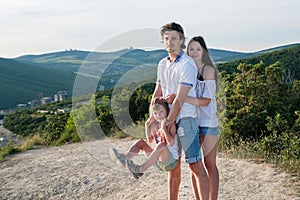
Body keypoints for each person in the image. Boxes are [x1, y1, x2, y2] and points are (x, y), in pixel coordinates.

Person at [151, 22, 209, 200]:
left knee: (195, 165)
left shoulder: (187, 64)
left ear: (182, 40)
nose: (170, 42)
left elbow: (180, 99)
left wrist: (166, 123)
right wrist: (153, 119)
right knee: (173, 168)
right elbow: (157, 94)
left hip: (186, 119)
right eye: (166, 38)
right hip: (168, 120)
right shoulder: (162, 64)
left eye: (174, 38)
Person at [110, 97, 179, 179]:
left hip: (170, 161)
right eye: (155, 113)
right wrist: (147, 125)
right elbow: (150, 140)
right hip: (157, 161)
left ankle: (140, 169)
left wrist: (164, 129)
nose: (158, 115)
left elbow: (171, 143)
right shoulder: (155, 125)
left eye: (161, 112)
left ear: (167, 111)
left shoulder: (170, 124)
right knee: (141, 142)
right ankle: (124, 159)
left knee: (161, 145)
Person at [186, 36, 220, 200]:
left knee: (209, 164)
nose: (194, 52)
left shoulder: (208, 70)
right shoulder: (188, 71)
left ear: (203, 51)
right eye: (191, 49)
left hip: (208, 124)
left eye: (198, 49)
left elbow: (206, 101)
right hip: (192, 123)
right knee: (195, 165)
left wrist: (182, 98)